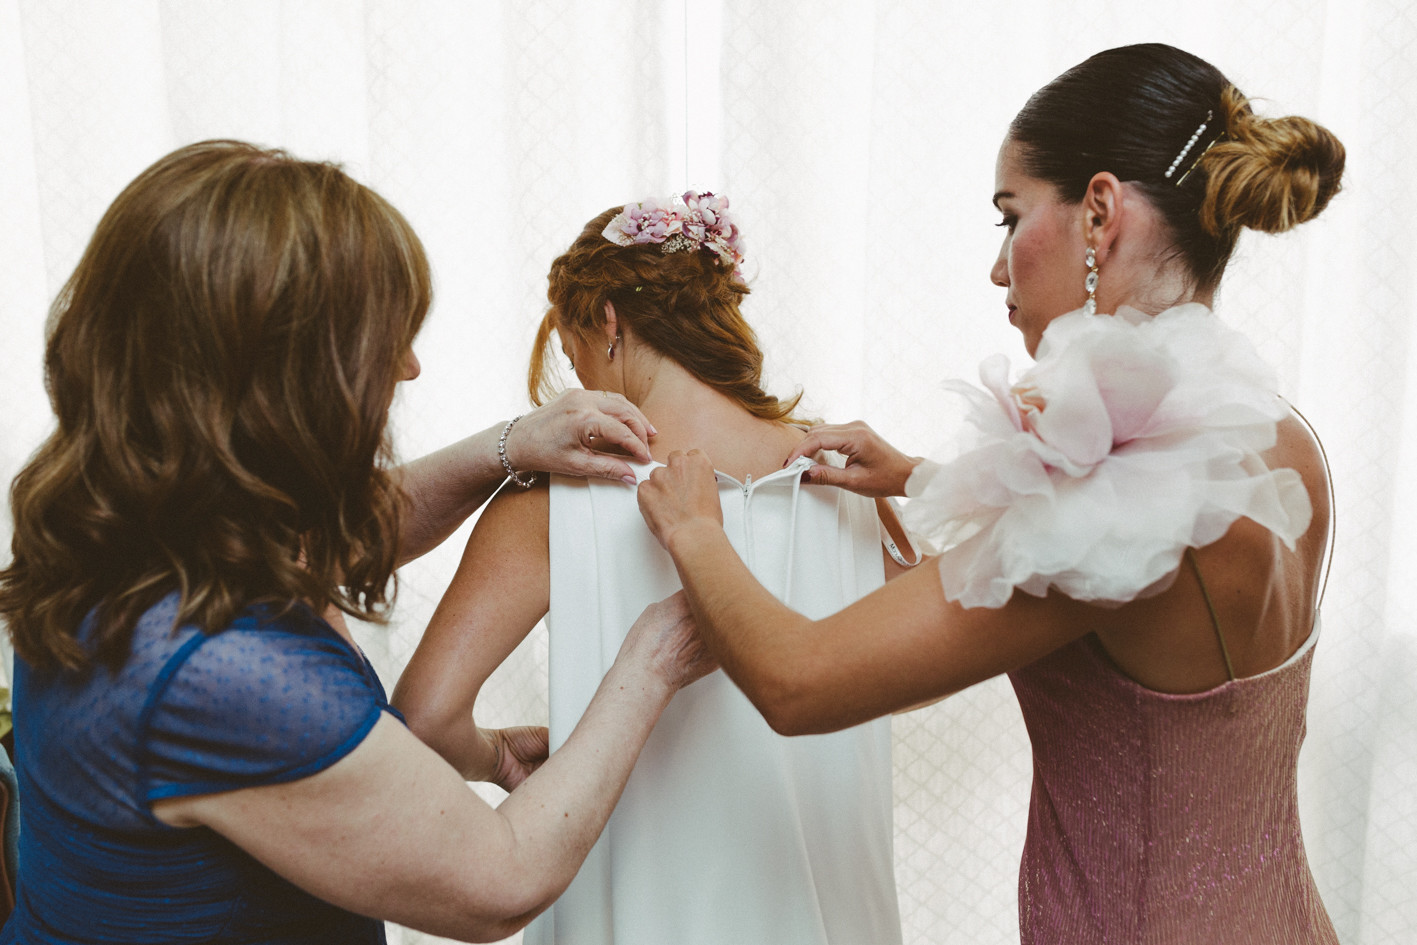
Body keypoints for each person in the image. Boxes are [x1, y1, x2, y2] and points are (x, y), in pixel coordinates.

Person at [635, 44, 1344, 945]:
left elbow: (798, 684)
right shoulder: (1271, 439)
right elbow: (1158, 604)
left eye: (1009, 217)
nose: (998, 266)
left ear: (1098, 212)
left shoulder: (1104, 503)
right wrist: (919, 478)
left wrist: (694, 530)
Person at [0, 140, 716, 944]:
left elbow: (306, 548)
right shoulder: (214, 671)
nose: (408, 368)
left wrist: (507, 446)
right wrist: (655, 655)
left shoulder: (112, 520)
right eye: (383, 342)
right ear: (284, 381)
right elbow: (501, 879)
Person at [393, 192, 915, 945]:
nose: (572, 367)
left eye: (568, 341)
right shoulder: (852, 477)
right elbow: (906, 673)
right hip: (825, 908)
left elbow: (425, 717)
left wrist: (500, 753)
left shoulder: (551, 498)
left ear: (606, 318)